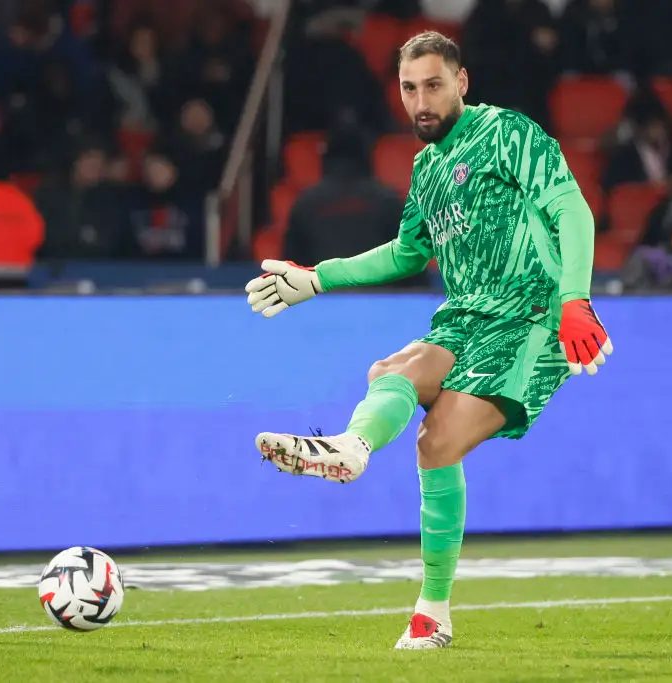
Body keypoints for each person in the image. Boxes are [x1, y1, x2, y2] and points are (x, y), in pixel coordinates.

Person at [244, 31, 611, 650]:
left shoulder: (508, 133)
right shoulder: (427, 167)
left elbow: (571, 209)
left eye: (434, 86)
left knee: (437, 441)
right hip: (464, 316)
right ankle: (353, 448)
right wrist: (317, 278)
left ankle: (432, 609)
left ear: (461, 83)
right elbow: (408, 253)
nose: (421, 101)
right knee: (393, 373)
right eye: (409, 88)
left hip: (529, 317)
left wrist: (576, 299)